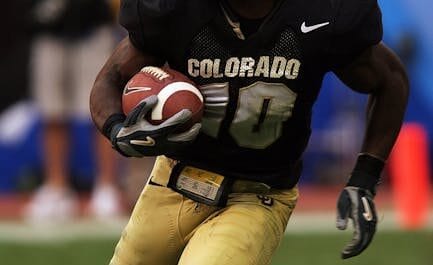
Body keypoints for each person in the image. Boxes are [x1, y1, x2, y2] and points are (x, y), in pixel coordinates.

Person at [90, 0, 409, 264]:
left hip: (259, 193)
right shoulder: (176, 10)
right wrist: (118, 130)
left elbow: (390, 80)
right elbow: (111, 78)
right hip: (175, 180)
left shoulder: (321, 12)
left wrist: (365, 178)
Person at [26, 0, 122, 221]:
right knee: (51, 112)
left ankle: (107, 187)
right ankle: (56, 186)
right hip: (49, 28)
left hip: (94, 26)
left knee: (104, 108)